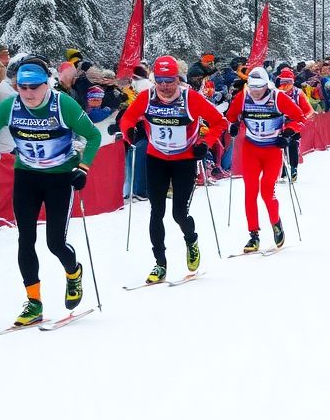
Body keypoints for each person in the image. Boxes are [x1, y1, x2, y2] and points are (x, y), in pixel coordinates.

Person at [0, 60, 101, 327]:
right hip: (27, 176)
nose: (29, 93)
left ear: (47, 84)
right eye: (23, 87)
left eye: (35, 87)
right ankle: (34, 303)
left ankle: (73, 272)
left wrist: (83, 167)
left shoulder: (63, 105)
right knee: (25, 238)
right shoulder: (10, 106)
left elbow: (93, 136)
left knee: (55, 242)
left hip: (59, 178)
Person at [118, 55, 227, 283]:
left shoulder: (191, 98)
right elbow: (127, 119)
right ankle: (160, 263)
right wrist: (131, 134)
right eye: (160, 81)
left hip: (185, 160)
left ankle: (191, 240)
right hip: (156, 158)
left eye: (170, 81)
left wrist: (204, 145)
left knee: (179, 213)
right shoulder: (146, 97)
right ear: (154, 80)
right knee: (156, 211)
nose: (165, 86)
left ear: (178, 79)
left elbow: (220, 122)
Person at [225, 66, 304, 252]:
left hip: (272, 150)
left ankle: (276, 223)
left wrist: (288, 133)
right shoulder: (243, 97)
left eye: (259, 88)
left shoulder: (278, 97)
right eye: (252, 88)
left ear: (266, 85)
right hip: (251, 149)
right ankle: (253, 235)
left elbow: (299, 117)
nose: (255, 92)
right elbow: (229, 117)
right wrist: (233, 125)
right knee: (250, 192)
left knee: (267, 191)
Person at [277, 66, 313, 181]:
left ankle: (293, 168)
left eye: (289, 82)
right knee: (278, 145)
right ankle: (281, 170)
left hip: (294, 123)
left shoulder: (298, 93)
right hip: (278, 123)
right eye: (283, 82)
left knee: (293, 143)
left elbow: (308, 111)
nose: (286, 85)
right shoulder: (275, 93)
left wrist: (299, 123)